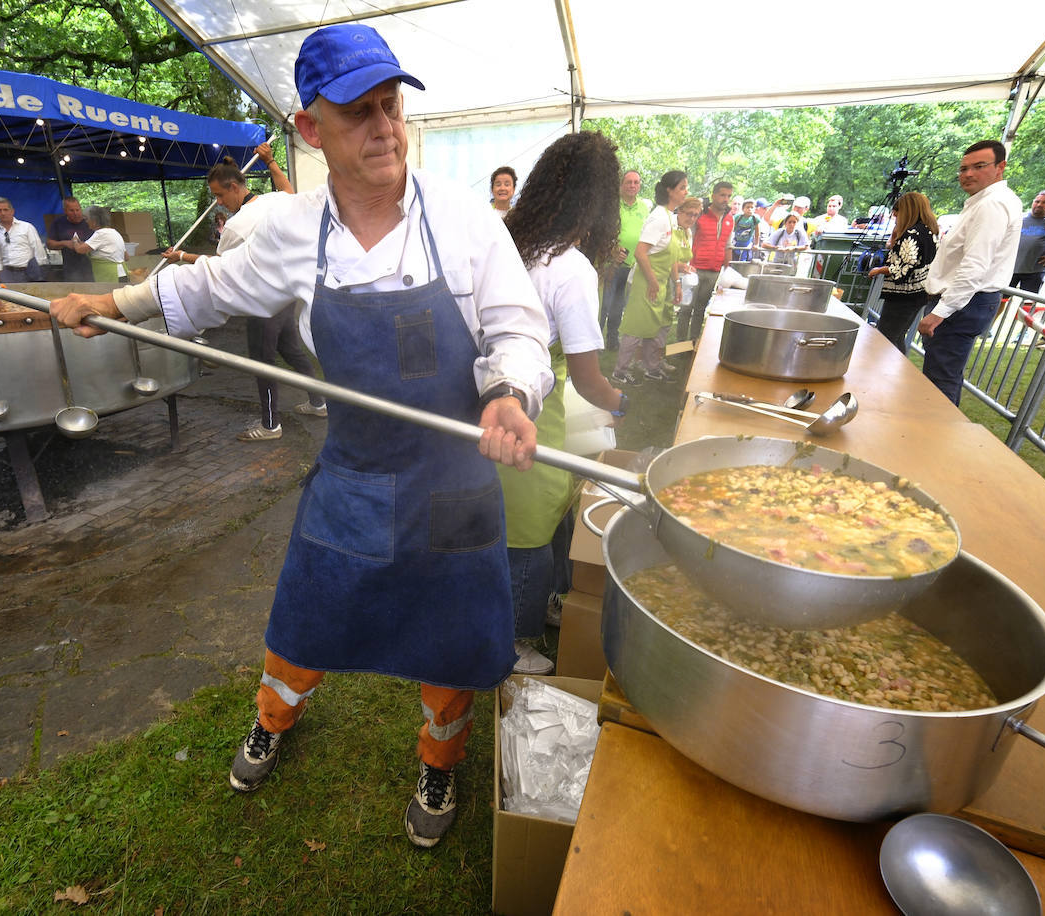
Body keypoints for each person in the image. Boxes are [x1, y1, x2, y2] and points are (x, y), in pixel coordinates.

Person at [46, 22, 551, 849]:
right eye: (360, 112)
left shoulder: (465, 220)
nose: (385, 127)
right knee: (304, 617)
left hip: (454, 481)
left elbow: (518, 331)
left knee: (455, 638)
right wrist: (117, 305)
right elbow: (209, 288)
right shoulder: (288, 230)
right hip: (354, 474)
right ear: (312, 130)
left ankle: (438, 758)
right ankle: (273, 720)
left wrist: (507, 393)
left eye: (392, 106)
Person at [500, 131, 626, 676]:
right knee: (530, 525)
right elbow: (588, 379)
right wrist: (621, 401)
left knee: (532, 515)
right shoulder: (571, 268)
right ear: (598, 202)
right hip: (530, 408)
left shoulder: (507, 240)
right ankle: (510, 641)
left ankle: (548, 601)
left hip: (490, 397)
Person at [167, 144, 328, 441]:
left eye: (219, 195)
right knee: (293, 353)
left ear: (233, 187)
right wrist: (271, 162)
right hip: (285, 298)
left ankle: (270, 426)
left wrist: (180, 257)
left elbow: (219, 266)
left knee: (262, 363)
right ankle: (319, 402)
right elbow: (289, 191)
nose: (218, 203)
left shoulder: (236, 225)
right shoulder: (274, 201)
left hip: (260, 303)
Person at [919, 140, 1021, 405]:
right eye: (963, 168)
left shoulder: (992, 204)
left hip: (963, 302)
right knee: (941, 375)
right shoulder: (983, 202)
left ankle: (936, 438)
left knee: (940, 380)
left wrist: (940, 312)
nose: (968, 174)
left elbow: (975, 264)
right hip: (965, 301)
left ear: (1001, 167)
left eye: (979, 166)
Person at [613, 170, 689, 386]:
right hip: (646, 283)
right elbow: (640, 252)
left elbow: (671, 256)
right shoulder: (658, 218)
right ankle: (620, 371)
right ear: (669, 190)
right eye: (682, 187)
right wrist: (653, 282)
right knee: (635, 328)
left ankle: (651, 367)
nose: (686, 192)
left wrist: (676, 283)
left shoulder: (670, 218)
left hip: (660, 282)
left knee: (654, 327)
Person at [868, 191, 938, 352]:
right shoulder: (929, 232)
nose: (895, 217)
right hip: (918, 294)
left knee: (886, 338)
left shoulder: (911, 235)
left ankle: (889, 371)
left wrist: (879, 270)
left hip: (902, 296)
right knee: (897, 336)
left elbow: (902, 269)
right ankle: (899, 370)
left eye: (897, 213)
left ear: (906, 211)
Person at [600, 169, 649, 350]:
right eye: (628, 182)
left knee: (619, 306)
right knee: (604, 305)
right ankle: (595, 343)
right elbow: (602, 232)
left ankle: (613, 340)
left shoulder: (644, 208)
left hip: (632, 266)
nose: (632, 186)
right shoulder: (612, 206)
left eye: (636, 182)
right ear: (621, 185)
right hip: (611, 264)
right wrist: (612, 250)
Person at [682, 181, 733, 342]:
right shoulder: (700, 215)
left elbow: (728, 245)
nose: (726, 199)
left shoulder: (729, 219)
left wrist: (727, 270)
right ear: (714, 195)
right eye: (722, 195)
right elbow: (687, 239)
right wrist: (686, 264)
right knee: (686, 308)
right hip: (694, 269)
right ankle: (681, 344)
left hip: (714, 271)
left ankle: (694, 342)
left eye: (728, 196)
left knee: (700, 309)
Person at [1009, 190, 1045, 294]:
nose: (1039, 205)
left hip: (1034, 272)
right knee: (1000, 301)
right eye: (1037, 201)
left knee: (1026, 305)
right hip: (1010, 269)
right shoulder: (1019, 218)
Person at [0, 198, 46, 283]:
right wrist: (0, 272)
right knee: (9, 296)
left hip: (28, 271)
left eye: (5, 210)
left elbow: (38, 248)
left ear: (12, 211)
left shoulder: (26, 227)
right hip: (7, 273)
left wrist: (40, 269)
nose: (3, 213)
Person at [72, 206, 126, 282]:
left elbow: (80, 249)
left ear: (94, 221)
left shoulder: (100, 234)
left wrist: (74, 240)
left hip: (110, 275)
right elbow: (126, 256)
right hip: (122, 273)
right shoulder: (114, 232)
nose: (86, 222)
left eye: (87, 219)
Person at [47, 197, 95, 282]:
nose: (76, 213)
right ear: (65, 211)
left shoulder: (90, 221)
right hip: (70, 268)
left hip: (92, 266)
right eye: (71, 211)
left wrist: (83, 246)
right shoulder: (58, 223)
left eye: (77, 210)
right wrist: (64, 243)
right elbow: (50, 244)